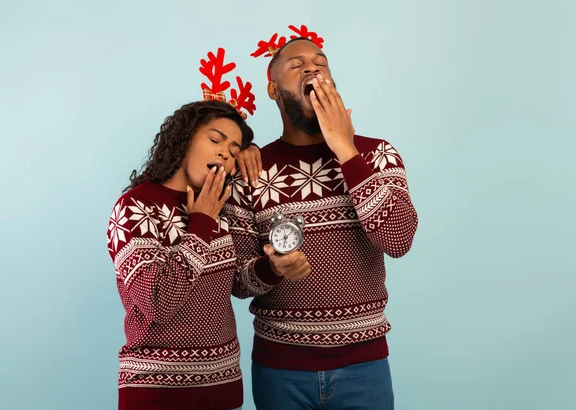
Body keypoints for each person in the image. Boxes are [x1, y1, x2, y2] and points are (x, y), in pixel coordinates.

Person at [226, 36, 419, 410]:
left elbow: (398, 239)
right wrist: (273, 267)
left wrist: (345, 150)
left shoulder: (377, 154)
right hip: (279, 370)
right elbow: (237, 281)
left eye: (320, 62)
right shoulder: (251, 171)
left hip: (365, 366)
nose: (312, 67)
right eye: (296, 65)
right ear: (273, 89)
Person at [107, 100, 256, 410]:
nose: (223, 154)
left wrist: (274, 268)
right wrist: (200, 223)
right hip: (157, 395)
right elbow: (156, 303)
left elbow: (238, 286)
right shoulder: (135, 206)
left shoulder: (221, 207)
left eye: (232, 151)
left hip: (222, 391)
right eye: (215, 140)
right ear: (184, 139)